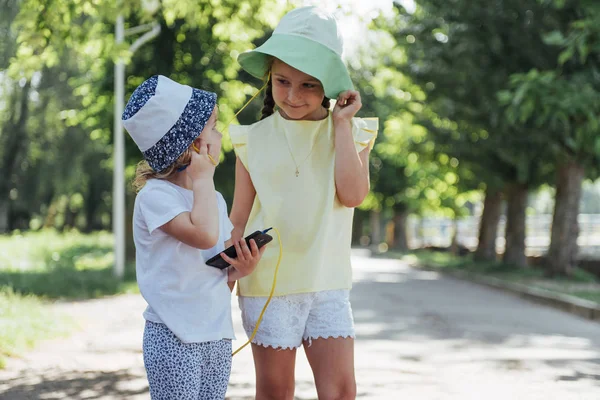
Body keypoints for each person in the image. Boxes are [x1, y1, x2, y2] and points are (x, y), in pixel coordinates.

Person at [228, 6, 378, 400]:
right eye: (282, 81)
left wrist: (342, 126)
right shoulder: (250, 139)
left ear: (329, 84)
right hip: (267, 285)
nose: (293, 96)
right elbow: (239, 219)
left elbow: (353, 195)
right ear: (269, 77)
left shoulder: (353, 132)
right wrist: (225, 279)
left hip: (327, 283)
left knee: (341, 392)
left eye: (309, 85)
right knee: (276, 393)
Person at [122, 75, 265, 400]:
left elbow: (209, 266)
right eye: (213, 127)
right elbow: (202, 235)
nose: (220, 134)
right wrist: (203, 179)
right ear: (191, 144)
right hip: (175, 334)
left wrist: (238, 269)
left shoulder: (211, 198)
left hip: (214, 334)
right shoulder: (156, 196)